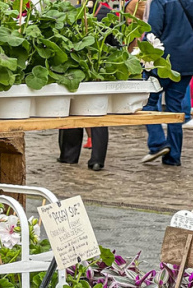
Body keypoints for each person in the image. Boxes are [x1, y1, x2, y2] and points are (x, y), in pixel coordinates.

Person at [141, 0, 193, 165]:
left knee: (148, 103)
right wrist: (186, 45)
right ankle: (173, 156)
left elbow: (152, 32)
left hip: (161, 61)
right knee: (175, 109)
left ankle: (157, 143)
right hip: (187, 60)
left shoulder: (160, 1)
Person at [57, 1, 114, 171]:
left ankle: (69, 156)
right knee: (98, 113)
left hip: (75, 68)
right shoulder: (106, 12)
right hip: (99, 68)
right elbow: (113, 42)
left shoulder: (73, 12)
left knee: (73, 110)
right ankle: (97, 159)